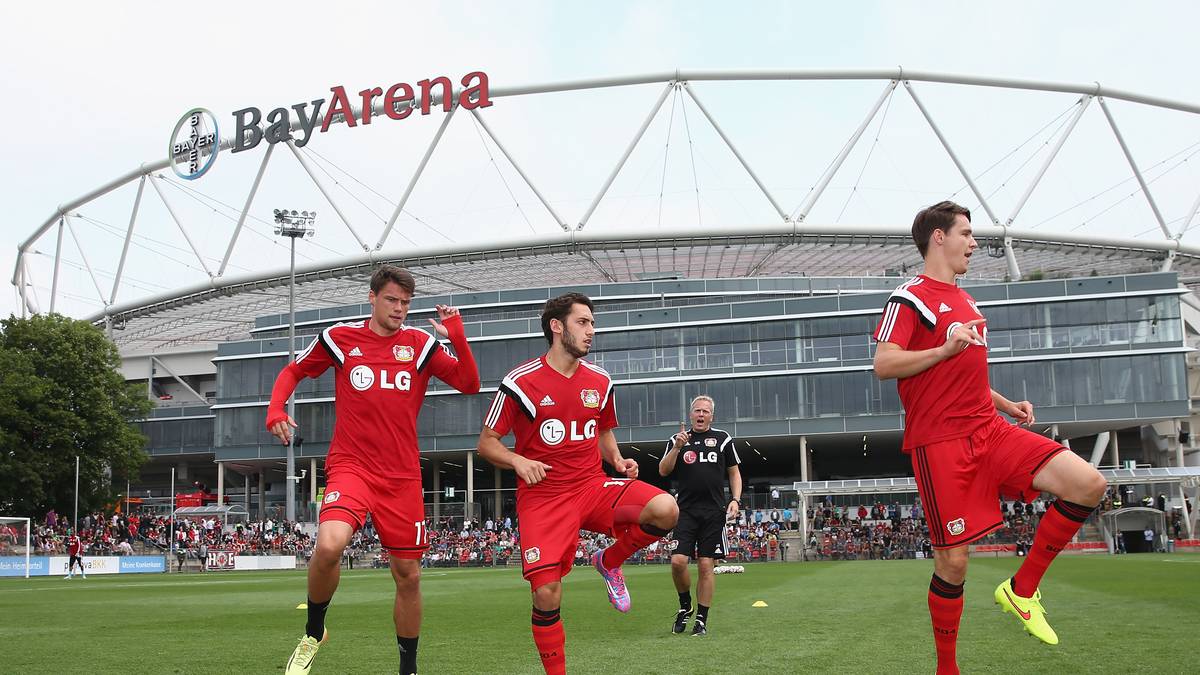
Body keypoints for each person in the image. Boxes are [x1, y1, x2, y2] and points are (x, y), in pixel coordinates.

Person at [872, 201, 1107, 674]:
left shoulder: (967, 301)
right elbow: (884, 363)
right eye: (966, 233)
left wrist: (1007, 405)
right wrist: (943, 346)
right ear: (938, 238)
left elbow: (967, 373)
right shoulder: (910, 298)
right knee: (954, 564)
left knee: (1088, 484)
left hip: (990, 429)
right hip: (940, 443)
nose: (974, 243)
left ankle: (1021, 590)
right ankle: (947, 669)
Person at [268, 265, 480, 675]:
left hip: (401, 477)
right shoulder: (340, 338)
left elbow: (469, 384)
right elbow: (294, 370)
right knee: (329, 545)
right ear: (372, 297)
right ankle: (314, 632)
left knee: (408, 576)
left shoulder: (420, 345)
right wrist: (276, 408)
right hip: (352, 466)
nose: (399, 309)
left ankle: (409, 668)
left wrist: (457, 336)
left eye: (405, 303)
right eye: (392, 300)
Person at [477, 292, 678, 675]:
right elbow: (486, 443)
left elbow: (602, 428)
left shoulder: (600, 381)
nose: (591, 331)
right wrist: (518, 460)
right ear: (557, 326)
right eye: (582, 323)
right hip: (544, 498)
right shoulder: (520, 382)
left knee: (666, 509)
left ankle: (609, 561)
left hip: (591, 487)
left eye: (592, 324)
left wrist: (616, 460)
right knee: (546, 594)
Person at [658, 395, 742, 636]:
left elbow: (734, 473)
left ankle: (701, 620)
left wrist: (735, 500)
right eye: (697, 411)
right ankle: (685, 606)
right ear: (691, 414)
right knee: (678, 562)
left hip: (714, 512)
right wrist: (677, 447)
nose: (701, 415)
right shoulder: (678, 439)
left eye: (705, 411)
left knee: (706, 565)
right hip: (684, 511)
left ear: (711, 416)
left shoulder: (722, 439)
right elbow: (663, 471)